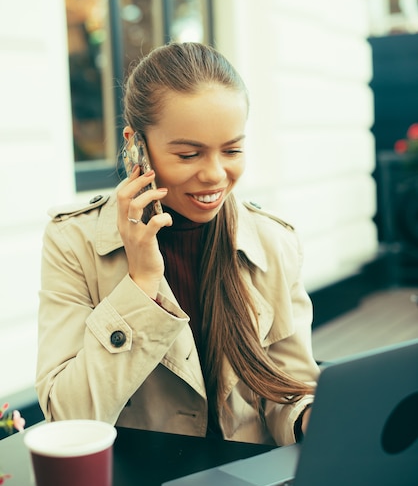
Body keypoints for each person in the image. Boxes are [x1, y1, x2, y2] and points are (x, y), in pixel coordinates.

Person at [36, 42, 320, 446]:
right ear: (137, 146)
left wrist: (308, 418)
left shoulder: (275, 242)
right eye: (189, 154)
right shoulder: (73, 242)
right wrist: (141, 285)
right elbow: (68, 418)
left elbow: (287, 391)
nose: (215, 174)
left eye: (233, 150)